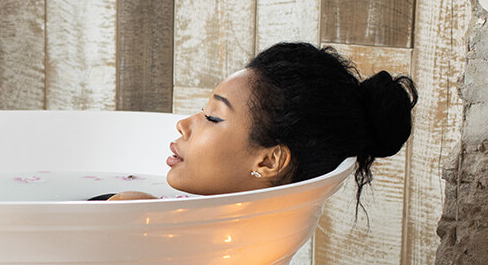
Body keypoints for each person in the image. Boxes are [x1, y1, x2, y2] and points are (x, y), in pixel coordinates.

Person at [102, 42, 417, 210]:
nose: (184, 125)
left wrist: (135, 214)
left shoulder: (140, 217)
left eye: (213, 117)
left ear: (269, 161)